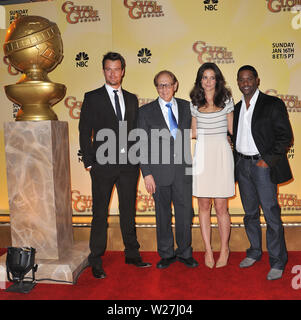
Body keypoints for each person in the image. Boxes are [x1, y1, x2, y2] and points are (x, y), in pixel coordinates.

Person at [79, 52, 151, 279]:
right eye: (108, 69)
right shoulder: (92, 97)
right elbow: (84, 131)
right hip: (102, 166)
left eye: (117, 69)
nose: (113, 73)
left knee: (128, 210)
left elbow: (135, 133)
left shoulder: (131, 98)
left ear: (123, 71)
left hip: (129, 166)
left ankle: (132, 253)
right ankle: (96, 258)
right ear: (103, 71)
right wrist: (90, 163)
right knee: (99, 213)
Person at [233, 65, 293, 280]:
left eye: (249, 79)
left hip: (262, 166)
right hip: (242, 165)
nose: (245, 83)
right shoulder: (237, 107)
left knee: (271, 214)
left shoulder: (272, 104)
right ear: (238, 82)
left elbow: (285, 137)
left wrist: (267, 161)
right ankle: (255, 251)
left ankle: (277, 261)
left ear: (257, 80)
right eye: (241, 79)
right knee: (249, 214)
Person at [137, 70, 198, 269]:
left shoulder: (187, 107)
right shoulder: (145, 112)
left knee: (184, 214)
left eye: (168, 84)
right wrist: (146, 174)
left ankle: (185, 252)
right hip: (158, 173)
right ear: (156, 88)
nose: (164, 89)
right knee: (162, 215)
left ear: (176, 85)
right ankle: (166, 253)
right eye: (160, 85)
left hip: (183, 171)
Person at [190, 62, 234, 269]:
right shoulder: (194, 101)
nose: (208, 81)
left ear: (217, 79)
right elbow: (194, 132)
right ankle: (208, 249)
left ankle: (224, 249)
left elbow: (232, 130)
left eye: (212, 77)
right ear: (200, 80)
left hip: (222, 154)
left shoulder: (226, 99)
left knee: (221, 206)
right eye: (204, 77)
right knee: (204, 205)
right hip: (202, 154)